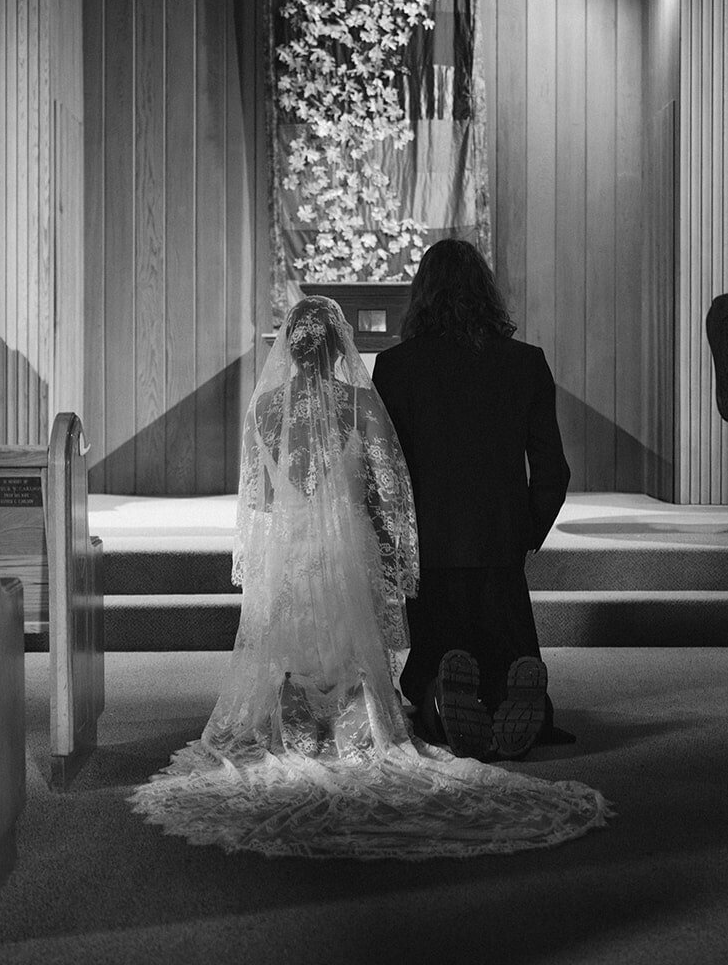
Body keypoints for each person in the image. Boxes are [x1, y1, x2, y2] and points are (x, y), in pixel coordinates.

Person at [130, 294, 607, 859]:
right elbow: (390, 485)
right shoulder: (359, 402)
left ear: (287, 346)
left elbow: (256, 496)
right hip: (350, 544)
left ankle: (302, 726)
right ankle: (369, 722)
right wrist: (392, 548)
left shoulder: (263, 410)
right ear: (340, 346)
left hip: (289, 545)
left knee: (289, 646)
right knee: (352, 647)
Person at [372, 239, 572, 760]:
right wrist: (526, 531)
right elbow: (552, 469)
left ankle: (440, 697)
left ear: (422, 296)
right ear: (486, 291)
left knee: (434, 656)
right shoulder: (525, 363)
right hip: (499, 544)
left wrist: (396, 543)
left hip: (432, 548)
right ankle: (517, 698)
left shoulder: (396, 368)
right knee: (508, 655)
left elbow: (387, 473)